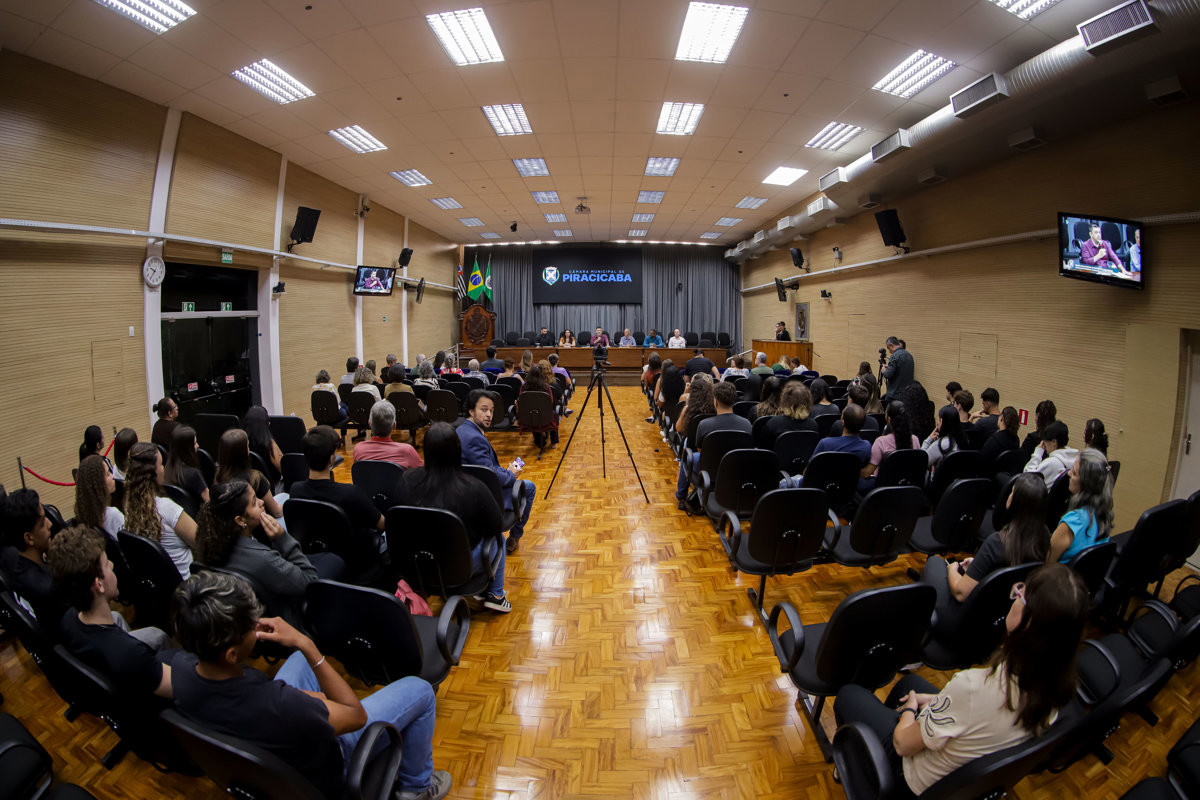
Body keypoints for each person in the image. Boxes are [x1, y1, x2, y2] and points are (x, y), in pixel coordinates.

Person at [170, 571, 451, 800]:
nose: (256, 628)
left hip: (270, 748)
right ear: (231, 654)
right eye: (250, 628)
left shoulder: (177, 674)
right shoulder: (282, 705)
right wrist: (306, 644)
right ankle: (416, 789)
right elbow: (355, 716)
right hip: (324, 770)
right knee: (421, 690)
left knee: (297, 662)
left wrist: (306, 693)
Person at [834, 564, 1089, 798]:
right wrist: (937, 701)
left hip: (914, 780)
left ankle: (863, 765)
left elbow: (903, 745)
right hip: (960, 780)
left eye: (1021, 593)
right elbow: (983, 715)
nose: (1016, 594)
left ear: (1028, 621)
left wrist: (911, 711)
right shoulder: (1056, 691)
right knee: (907, 686)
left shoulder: (973, 686)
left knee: (849, 694)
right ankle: (869, 751)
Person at [48, 525, 173, 697]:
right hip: (145, 696)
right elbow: (180, 689)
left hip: (112, 669)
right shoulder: (130, 654)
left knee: (117, 617)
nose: (113, 565)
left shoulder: (68, 620)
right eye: (107, 564)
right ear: (99, 584)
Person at [398, 423, 511, 613]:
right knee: (499, 538)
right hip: (459, 568)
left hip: (417, 564)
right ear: (457, 450)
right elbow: (496, 525)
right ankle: (496, 595)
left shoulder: (406, 480)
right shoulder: (474, 487)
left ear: (425, 450)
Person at [917, 473, 1050, 634]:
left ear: (1016, 503)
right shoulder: (1044, 538)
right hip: (997, 620)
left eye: (1013, 492)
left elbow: (960, 593)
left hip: (964, 624)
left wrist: (952, 568)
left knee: (935, 563)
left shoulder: (998, 542)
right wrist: (980, 564)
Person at [194, 480, 339, 626]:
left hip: (248, 616)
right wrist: (283, 539)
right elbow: (309, 581)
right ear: (240, 520)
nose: (262, 502)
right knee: (334, 561)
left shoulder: (212, 543)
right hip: (287, 619)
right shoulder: (261, 558)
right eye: (254, 502)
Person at [289, 426, 385, 568]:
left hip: (316, 558)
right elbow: (382, 524)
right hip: (353, 561)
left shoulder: (295, 490)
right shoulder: (350, 493)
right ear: (331, 459)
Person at [459, 390, 534, 554]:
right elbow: (489, 474)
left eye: (491, 411)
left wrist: (504, 471)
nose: (489, 415)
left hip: (472, 488)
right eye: (484, 409)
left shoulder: (462, 430)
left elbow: (484, 467)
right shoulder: (474, 438)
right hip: (485, 495)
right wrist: (510, 475)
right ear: (471, 411)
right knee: (529, 487)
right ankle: (515, 536)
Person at [124, 442, 197, 579]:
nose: (164, 468)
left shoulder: (129, 505)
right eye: (161, 464)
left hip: (160, 583)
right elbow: (200, 541)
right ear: (152, 474)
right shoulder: (167, 508)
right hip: (187, 583)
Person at [677, 382, 750, 510]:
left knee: (687, 455)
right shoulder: (747, 424)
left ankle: (681, 496)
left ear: (715, 401)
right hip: (735, 468)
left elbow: (701, 451)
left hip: (708, 468)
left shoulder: (705, 424)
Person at [0, 488, 64, 625]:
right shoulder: (49, 590)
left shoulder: (16, 565)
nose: (50, 524)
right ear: (29, 538)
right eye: (42, 523)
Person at [1047, 449, 1114, 563]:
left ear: (1086, 483)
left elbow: (1047, 564)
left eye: (1074, 472)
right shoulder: (1104, 514)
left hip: (1060, 578)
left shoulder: (1072, 522)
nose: (1068, 474)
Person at [215, 428, 286, 519]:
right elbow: (277, 512)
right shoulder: (256, 478)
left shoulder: (218, 475)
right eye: (247, 446)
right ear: (244, 452)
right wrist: (292, 504)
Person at [861, 400, 921, 485]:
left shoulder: (880, 442)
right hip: (909, 488)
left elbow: (867, 473)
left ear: (889, 419)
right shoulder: (915, 439)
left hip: (884, 490)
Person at [352, 401, 424, 469]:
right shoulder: (407, 451)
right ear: (394, 426)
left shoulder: (358, 449)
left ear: (369, 423)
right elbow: (424, 475)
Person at [74, 454, 126, 539]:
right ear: (98, 484)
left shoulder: (82, 512)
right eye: (108, 474)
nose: (113, 476)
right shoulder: (113, 514)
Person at [164, 425, 210, 516]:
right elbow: (209, 502)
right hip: (197, 518)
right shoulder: (193, 474)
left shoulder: (166, 468)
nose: (198, 446)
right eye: (194, 443)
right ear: (186, 449)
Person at [758, 381, 817, 447]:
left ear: (784, 400)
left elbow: (764, 451)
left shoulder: (773, 424)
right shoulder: (813, 425)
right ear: (808, 401)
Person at [1022, 421, 1078, 488]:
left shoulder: (1051, 462)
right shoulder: (1075, 458)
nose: (1044, 447)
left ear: (1054, 442)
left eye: (1045, 442)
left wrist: (1038, 453)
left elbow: (1027, 476)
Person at [518, 364, 560, 449]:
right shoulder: (546, 387)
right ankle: (554, 442)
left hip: (528, 417)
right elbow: (550, 402)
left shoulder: (524, 387)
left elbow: (522, 402)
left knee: (533, 414)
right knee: (554, 414)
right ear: (541, 375)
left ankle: (539, 439)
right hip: (544, 416)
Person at [923, 406, 966, 474]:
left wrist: (928, 440)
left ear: (942, 421)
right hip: (955, 482)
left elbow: (922, 463)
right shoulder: (963, 440)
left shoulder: (940, 445)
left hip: (936, 483)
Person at [243, 405, 284, 478]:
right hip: (272, 485)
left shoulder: (242, 442)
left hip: (251, 482)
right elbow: (284, 469)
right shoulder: (269, 444)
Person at [881, 336, 915, 401]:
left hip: (894, 395)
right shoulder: (909, 355)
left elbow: (888, 375)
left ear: (891, 345)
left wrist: (884, 370)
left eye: (888, 348)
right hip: (907, 394)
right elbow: (902, 369)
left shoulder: (894, 356)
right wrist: (890, 367)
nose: (889, 351)